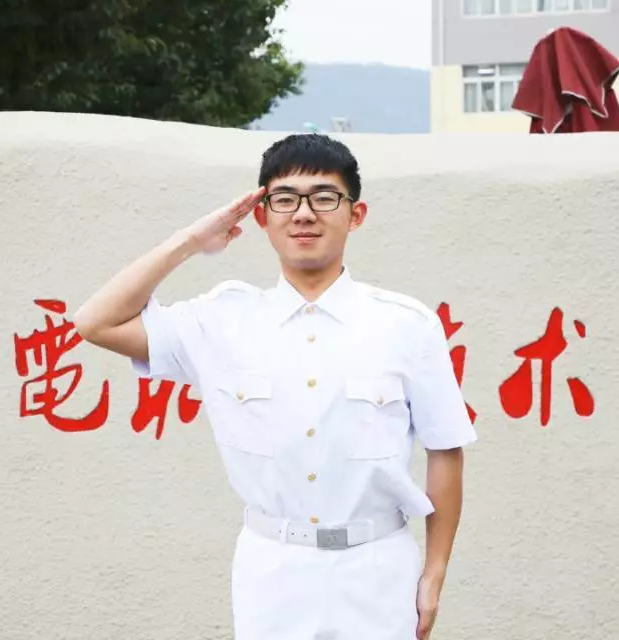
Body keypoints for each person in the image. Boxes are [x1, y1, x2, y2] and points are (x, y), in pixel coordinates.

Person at [74, 133, 477, 639]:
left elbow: (446, 450)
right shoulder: (222, 320)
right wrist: (192, 241)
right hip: (272, 572)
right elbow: (95, 322)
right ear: (261, 217)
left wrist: (434, 573)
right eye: (285, 199)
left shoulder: (406, 324)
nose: (304, 214)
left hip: (378, 569)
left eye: (324, 197)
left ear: (356, 215)